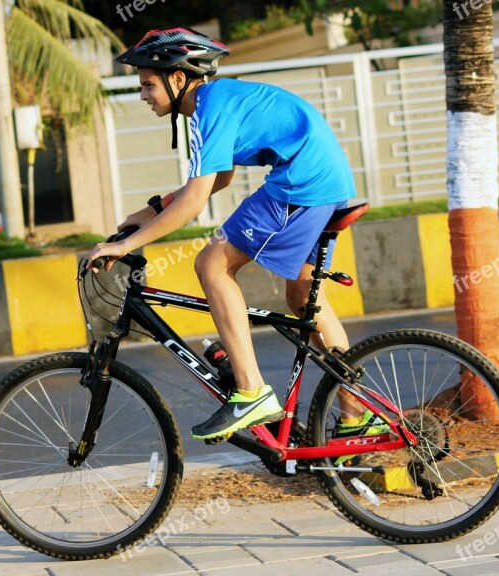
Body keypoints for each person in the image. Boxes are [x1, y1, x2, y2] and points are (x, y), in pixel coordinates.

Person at [87, 26, 388, 446]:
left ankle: (250, 392)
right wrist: (150, 211)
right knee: (303, 299)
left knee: (211, 263)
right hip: (326, 181)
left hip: (300, 183)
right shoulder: (213, 104)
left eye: (148, 84)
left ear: (178, 79)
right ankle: (355, 417)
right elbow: (219, 177)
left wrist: (124, 245)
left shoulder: (211, 108)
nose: (142, 95)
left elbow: (194, 203)